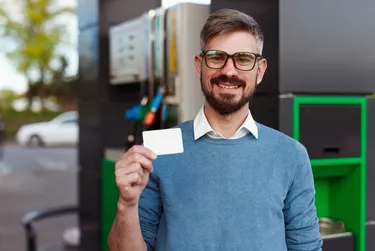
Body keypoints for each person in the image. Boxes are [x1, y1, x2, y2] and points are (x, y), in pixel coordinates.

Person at [108, 8, 323, 251]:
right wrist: (126, 204)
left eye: (243, 59)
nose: (229, 71)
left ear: (260, 70)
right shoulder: (157, 149)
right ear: (199, 66)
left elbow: (306, 247)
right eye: (216, 57)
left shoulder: (291, 155)